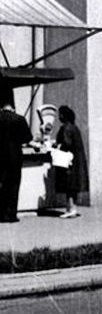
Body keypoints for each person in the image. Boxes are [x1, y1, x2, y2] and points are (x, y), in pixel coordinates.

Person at [0, 86, 33, 223]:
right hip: (15, 157)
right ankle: (11, 214)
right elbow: (28, 138)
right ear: (13, 106)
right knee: (14, 186)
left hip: (0, 157)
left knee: (1, 185)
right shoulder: (20, 119)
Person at [53, 105, 89, 218]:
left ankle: (70, 209)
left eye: (60, 114)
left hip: (68, 161)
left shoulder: (66, 128)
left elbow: (66, 144)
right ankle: (72, 208)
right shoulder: (74, 127)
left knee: (68, 185)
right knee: (73, 187)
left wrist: (55, 145)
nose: (59, 117)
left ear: (64, 116)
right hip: (76, 161)